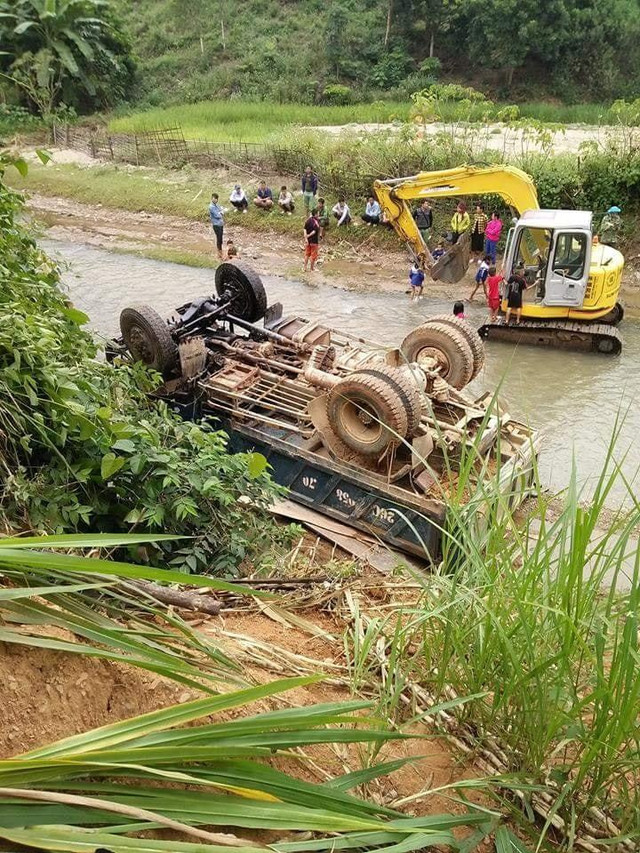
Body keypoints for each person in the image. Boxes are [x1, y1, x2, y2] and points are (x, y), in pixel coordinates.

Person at [208, 192, 224, 259]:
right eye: (214, 198)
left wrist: (221, 212)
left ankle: (220, 251)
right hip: (216, 225)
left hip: (220, 224)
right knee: (219, 238)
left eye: (216, 199)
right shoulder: (211, 207)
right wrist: (221, 212)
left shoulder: (217, 205)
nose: (215, 200)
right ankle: (219, 252)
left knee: (221, 238)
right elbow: (218, 215)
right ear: (212, 198)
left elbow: (220, 210)